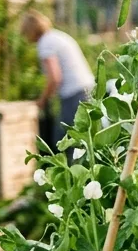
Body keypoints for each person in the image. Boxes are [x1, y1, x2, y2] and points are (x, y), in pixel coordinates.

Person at [21, 10, 95, 154]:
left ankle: (70, 175)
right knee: (84, 139)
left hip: (75, 94)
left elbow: (55, 78)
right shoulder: (56, 36)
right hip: (87, 89)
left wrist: (42, 100)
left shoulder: (45, 44)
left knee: (65, 141)